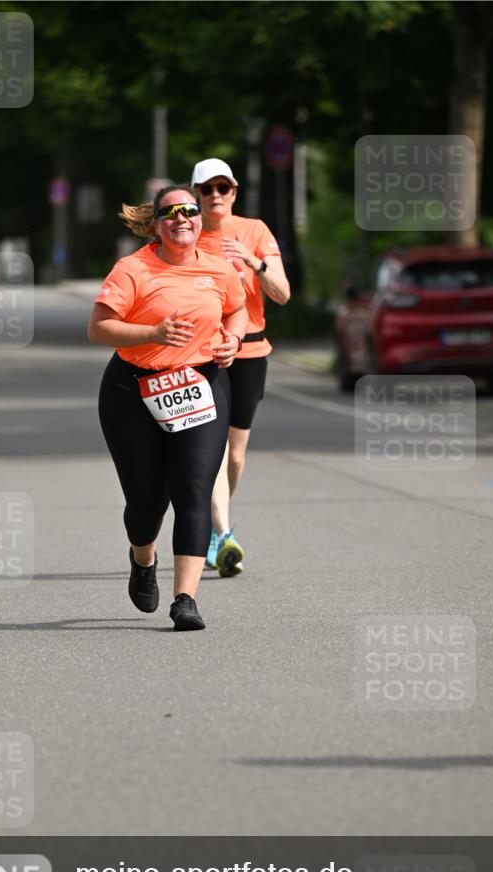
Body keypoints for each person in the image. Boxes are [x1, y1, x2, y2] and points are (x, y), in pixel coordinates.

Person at [88, 184, 247, 631]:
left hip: (201, 384)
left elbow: (238, 311)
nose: (182, 218)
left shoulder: (219, 269)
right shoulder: (133, 269)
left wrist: (233, 339)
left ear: (200, 219)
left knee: (193, 490)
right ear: (156, 223)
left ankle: (186, 599)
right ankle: (143, 559)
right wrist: (153, 334)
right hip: (132, 391)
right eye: (171, 212)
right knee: (146, 502)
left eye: (189, 210)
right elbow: (99, 329)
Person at [191, 157, 291, 577]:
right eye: (207, 189)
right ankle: (222, 530)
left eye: (223, 188)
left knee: (234, 455)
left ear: (234, 192)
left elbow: (283, 294)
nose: (216, 196)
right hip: (205, 354)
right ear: (195, 194)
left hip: (250, 351)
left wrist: (253, 261)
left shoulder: (255, 231)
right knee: (210, 450)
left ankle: (217, 529)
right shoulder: (188, 232)